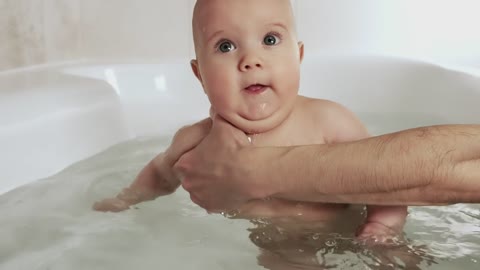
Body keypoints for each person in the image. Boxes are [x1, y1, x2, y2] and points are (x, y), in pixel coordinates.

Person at [94, 0, 408, 239]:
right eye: (225, 46)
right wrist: (126, 200)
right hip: (277, 248)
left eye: (270, 40)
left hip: (354, 234)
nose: (251, 61)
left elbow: (384, 183)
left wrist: (382, 227)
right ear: (199, 74)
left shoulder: (329, 122)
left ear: (298, 56)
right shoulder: (195, 143)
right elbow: (160, 175)